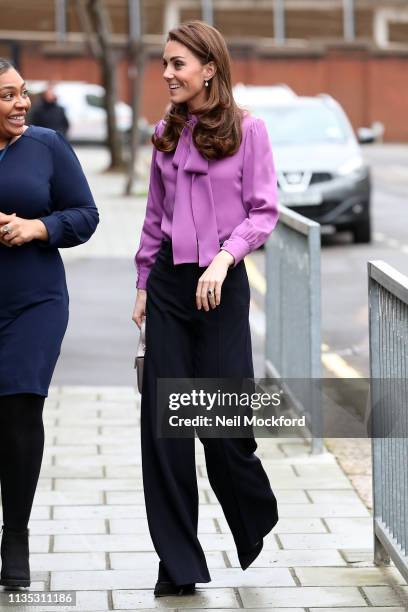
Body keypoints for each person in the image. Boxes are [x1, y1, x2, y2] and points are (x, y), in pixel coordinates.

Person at [132, 20, 280, 598]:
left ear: (208, 69)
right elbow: (153, 215)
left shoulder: (250, 130)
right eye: (164, 64)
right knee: (165, 432)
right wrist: (144, 281)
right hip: (170, 286)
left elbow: (264, 211)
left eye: (178, 64)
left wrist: (224, 258)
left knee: (222, 431)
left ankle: (253, 512)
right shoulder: (164, 133)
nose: (167, 74)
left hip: (223, 286)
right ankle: (178, 564)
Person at [0, 59, 99, 588]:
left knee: (18, 408)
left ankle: (15, 533)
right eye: (7, 96)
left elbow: (85, 213)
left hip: (34, 301)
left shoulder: (46, 145)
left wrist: (39, 226)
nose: (21, 104)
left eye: (23, 93)